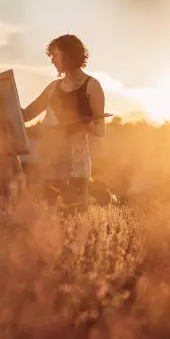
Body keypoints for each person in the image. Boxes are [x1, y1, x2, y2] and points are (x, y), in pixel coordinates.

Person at [22, 34, 107, 214]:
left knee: (74, 221)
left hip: (77, 167)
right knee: (50, 224)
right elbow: (25, 115)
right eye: (51, 56)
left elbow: (100, 130)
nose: (52, 60)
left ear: (69, 54)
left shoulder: (92, 86)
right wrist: (0, 99)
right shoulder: (53, 88)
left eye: (55, 55)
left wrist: (80, 124)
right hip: (50, 166)